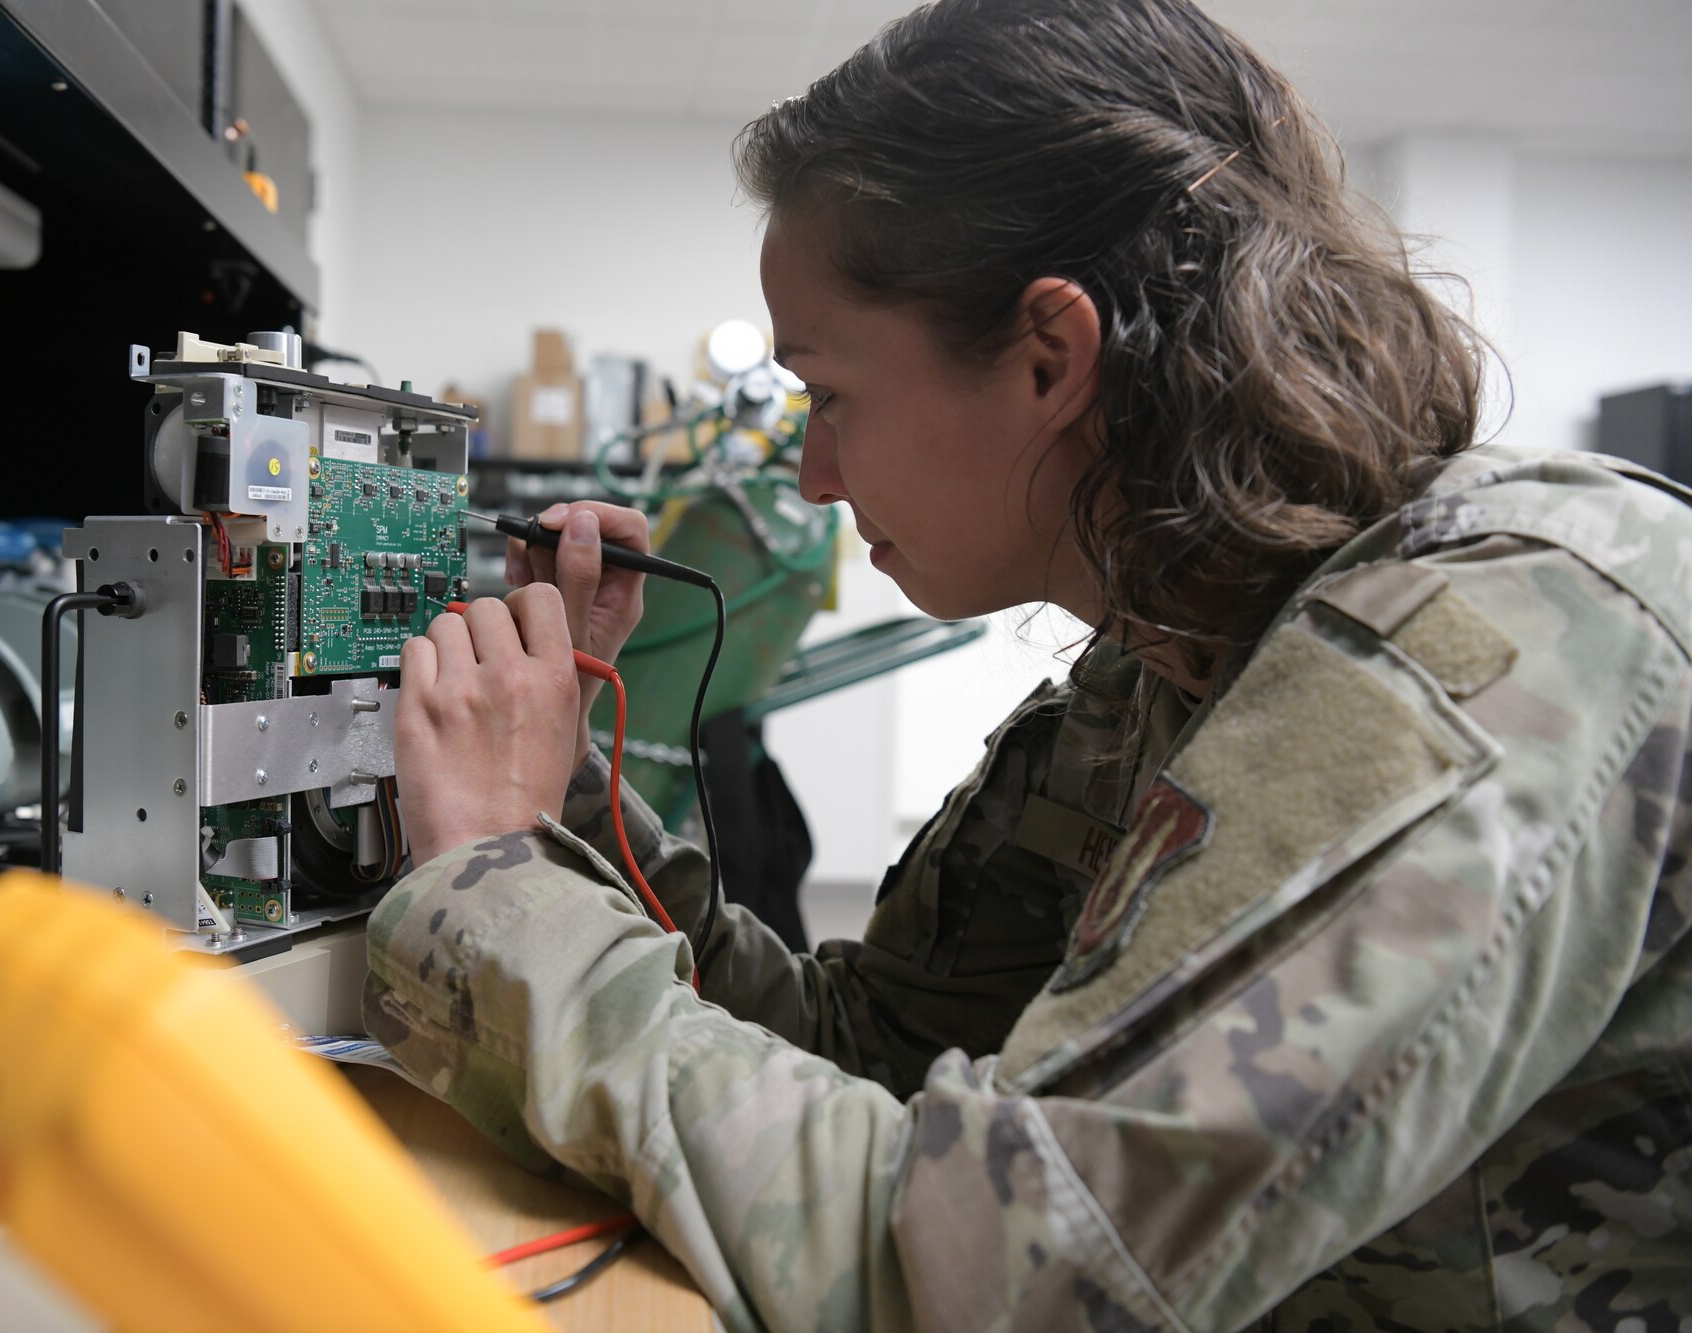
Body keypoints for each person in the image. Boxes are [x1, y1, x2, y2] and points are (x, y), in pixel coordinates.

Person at [367, 0, 1692, 1327]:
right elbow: (866, 1061)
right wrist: (558, 786)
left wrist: (501, 899)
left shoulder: (1505, 644)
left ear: (1051, 356)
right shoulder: (1166, 667)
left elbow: (1006, 1276)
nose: (817, 475)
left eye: (828, 394)